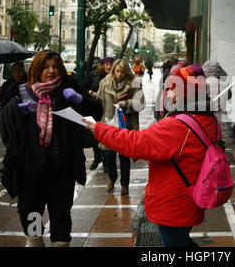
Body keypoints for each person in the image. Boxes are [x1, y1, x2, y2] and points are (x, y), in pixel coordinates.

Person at [84, 63, 218, 247]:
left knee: (175, 245)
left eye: (173, 89)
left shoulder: (178, 127)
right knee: (182, 242)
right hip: (190, 196)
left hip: (174, 204)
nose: (168, 94)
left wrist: (99, 129)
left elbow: (136, 143)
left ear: (185, 92)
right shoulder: (207, 118)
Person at [0, 50, 103, 247]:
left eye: (55, 66)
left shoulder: (68, 89)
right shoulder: (19, 91)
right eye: (46, 67)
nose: (51, 71)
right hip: (30, 168)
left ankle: (59, 243)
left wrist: (80, 100)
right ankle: (36, 241)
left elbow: (97, 111)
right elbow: (4, 125)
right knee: (32, 211)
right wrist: (16, 111)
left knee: (60, 213)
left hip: (62, 168)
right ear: (37, 69)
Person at [95, 58, 145, 195]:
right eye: (117, 71)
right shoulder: (105, 83)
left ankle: (125, 184)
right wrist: (92, 96)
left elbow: (140, 103)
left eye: (122, 72)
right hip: (109, 123)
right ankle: (112, 178)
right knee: (108, 155)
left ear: (127, 72)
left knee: (124, 157)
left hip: (125, 125)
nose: (119, 74)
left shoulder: (135, 83)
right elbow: (99, 100)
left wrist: (126, 103)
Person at [82, 56, 115, 171]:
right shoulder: (94, 75)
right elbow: (83, 87)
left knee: (105, 134)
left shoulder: (114, 77)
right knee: (94, 134)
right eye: (106, 64)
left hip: (107, 110)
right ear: (102, 65)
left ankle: (106, 161)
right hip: (94, 109)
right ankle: (97, 158)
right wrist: (89, 92)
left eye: (110, 65)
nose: (108, 67)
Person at [0, 62, 28, 174]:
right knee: (11, 143)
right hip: (9, 119)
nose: (17, 73)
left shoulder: (27, 82)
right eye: (15, 71)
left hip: (23, 118)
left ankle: (13, 167)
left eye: (19, 71)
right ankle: (9, 167)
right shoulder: (7, 84)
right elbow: (3, 101)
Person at [202, 60, 234, 146]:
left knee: (208, 141)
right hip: (222, 116)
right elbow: (229, 96)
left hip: (207, 116)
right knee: (221, 143)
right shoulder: (224, 83)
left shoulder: (203, 83)